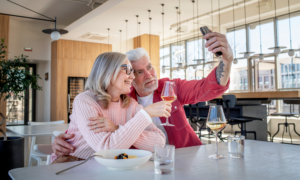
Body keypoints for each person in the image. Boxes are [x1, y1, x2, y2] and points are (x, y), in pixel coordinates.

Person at [52, 31, 233, 157]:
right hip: (140, 161)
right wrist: (60, 140)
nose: (148, 75)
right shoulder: (123, 97)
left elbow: (208, 87)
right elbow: (88, 130)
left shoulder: (170, 87)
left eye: (149, 67)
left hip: (184, 153)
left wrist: (227, 60)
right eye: (138, 72)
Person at [51, 52, 169, 163]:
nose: (132, 76)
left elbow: (159, 143)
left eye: (132, 71)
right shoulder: (85, 101)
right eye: (127, 70)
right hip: (71, 164)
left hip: (106, 167)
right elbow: (106, 149)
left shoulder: (131, 105)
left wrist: (117, 128)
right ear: (108, 71)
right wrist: (145, 115)